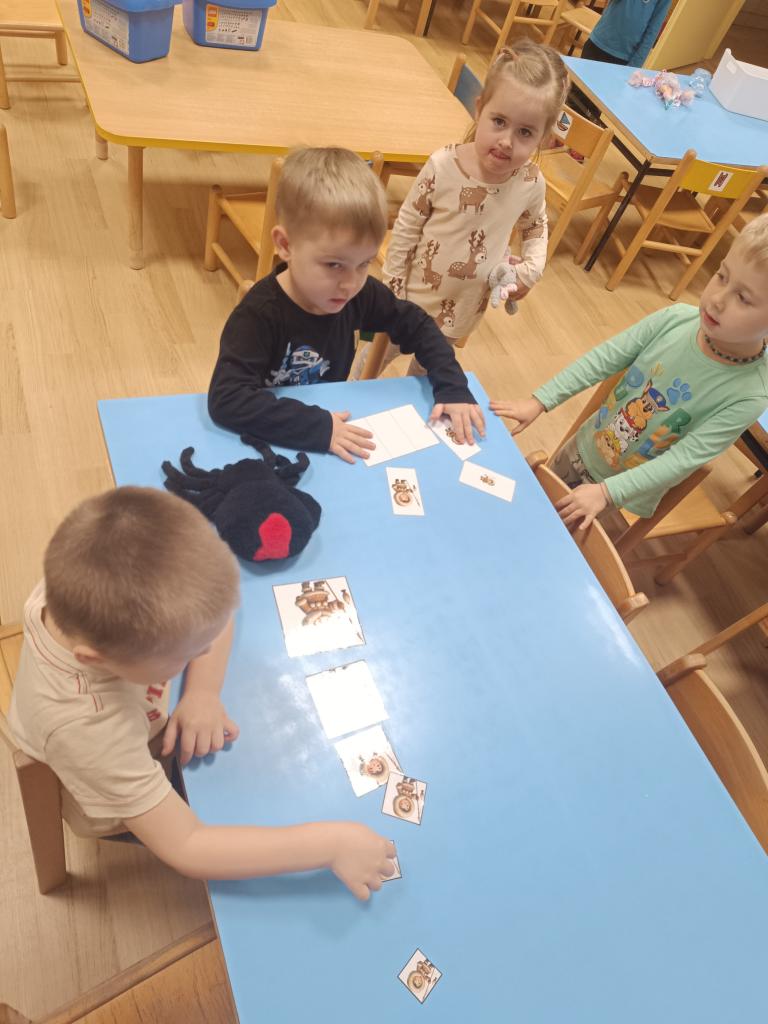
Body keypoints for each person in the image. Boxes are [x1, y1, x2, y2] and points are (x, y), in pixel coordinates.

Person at [8, 487, 396, 900]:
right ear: (96, 659)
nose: (205, 652)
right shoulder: (91, 731)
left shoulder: (86, 575)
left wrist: (202, 693)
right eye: (187, 655)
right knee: (257, 799)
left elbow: (216, 612)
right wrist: (327, 845)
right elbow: (187, 845)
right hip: (114, 795)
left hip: (144, 728)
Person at [208, 147, 486, 465]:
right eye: (334, 265)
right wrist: (318, 427)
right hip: (267, 441)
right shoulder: (259, 314)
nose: (350, 284)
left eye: (364, 263)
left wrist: (452, 387)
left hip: (331, 426)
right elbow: (227, 400)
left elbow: (418, 325)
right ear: (285, 245)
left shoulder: (357, 293)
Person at [490, 214, 768, 530]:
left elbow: (683, 460)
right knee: (528, 510)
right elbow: (604, 358)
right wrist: (541, 400)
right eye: (721, 275)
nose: (717, 300)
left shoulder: (750, 395)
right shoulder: (677, 319)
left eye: (743, 298)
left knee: (553, 535)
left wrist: (608, 493)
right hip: (585, 445)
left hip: (616, 492)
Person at [377, 40, 569, 368]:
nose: (506, 141)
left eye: (525, 132)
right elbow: (407, 228)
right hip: (407, 300)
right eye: (499, 121)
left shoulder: (530, 182)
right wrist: (392, 294)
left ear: (544, 138)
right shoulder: (442, 166)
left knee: (425, 381)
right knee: (367, 367)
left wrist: (531, 271)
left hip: (461, 313)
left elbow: (536, 225)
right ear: (480, 109)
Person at [581, 0, 672, 68]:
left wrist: (635, 65)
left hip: (623, 57)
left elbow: (653, 30)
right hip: (598, 42)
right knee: (577, 85)